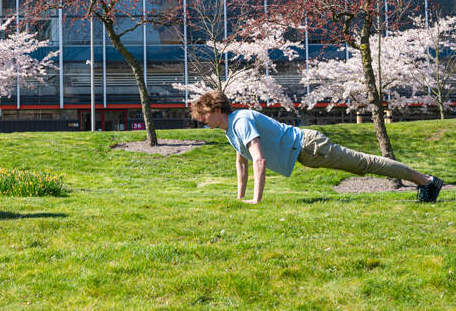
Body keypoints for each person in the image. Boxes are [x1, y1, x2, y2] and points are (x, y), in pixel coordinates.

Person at [190, 90, 444, 204]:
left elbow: (258, 160)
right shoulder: (231, 129)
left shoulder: (241, 120)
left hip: (310, 146)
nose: (201, 120)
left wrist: (256, 200)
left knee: (366, 163)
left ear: (216, 109)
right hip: (307, 151)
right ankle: (425, 182)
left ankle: (426, 180)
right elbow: (241, 162)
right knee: (364, 166)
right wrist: (240, 197)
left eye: (203, 115)